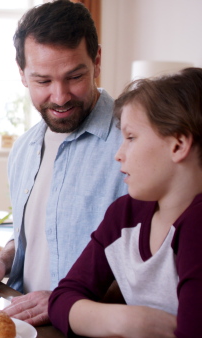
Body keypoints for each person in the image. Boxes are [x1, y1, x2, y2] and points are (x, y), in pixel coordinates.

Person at [0, 0, 128, 326]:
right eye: (43, 81)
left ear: (97, 61)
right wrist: (1, 260)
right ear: (22, 75)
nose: (59, 96)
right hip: (21, 325)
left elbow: (152, 270)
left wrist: (66, 303)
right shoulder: (25, 149)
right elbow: (32, 237)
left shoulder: (133, 143)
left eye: (74, 76)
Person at [49, 67, 202, 337]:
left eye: (131, 138)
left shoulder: (197, 225)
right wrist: (128, 321)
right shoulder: (124, 215)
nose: (119, 154)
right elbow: (62, 299)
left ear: (178, 144)